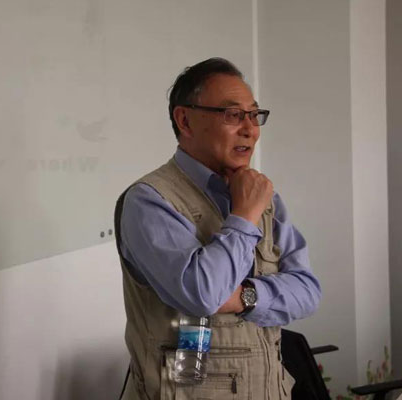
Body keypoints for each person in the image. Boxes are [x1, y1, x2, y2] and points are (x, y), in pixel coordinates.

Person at [115, 57, 321, 400]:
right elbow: (203, 295)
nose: (250, 129)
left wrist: (244, 297)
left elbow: (308, 291)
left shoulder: (263, 196)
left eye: (254, 115)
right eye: (233, 115)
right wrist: (244, 215)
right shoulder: (149, 200)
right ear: (185, 120)